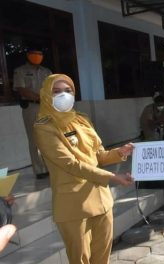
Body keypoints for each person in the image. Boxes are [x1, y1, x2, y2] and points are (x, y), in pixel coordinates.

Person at [33, 74, 134, 264]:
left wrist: (120, 152)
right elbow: (71, 164)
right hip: (73, 204)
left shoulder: (82, 120)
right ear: (46, 95)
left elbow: (98, 156)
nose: (64, 95)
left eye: (68, 91)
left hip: (101, 200)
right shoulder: (44, 127)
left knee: (102, 257)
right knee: (80, 259)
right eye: (56, 92)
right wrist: (113, 177)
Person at [13, 47, 52, 179]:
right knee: (34, 139)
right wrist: (40, 97)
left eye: (40, 54)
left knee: (49, 138)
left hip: (47, 108)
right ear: (28, 55)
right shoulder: (20, 71)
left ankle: (50, 167)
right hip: (31, 107)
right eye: (34, 54)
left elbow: (53, 88)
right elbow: (22, 90)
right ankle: (40, 170)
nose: (37, 56)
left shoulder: (47, 72)